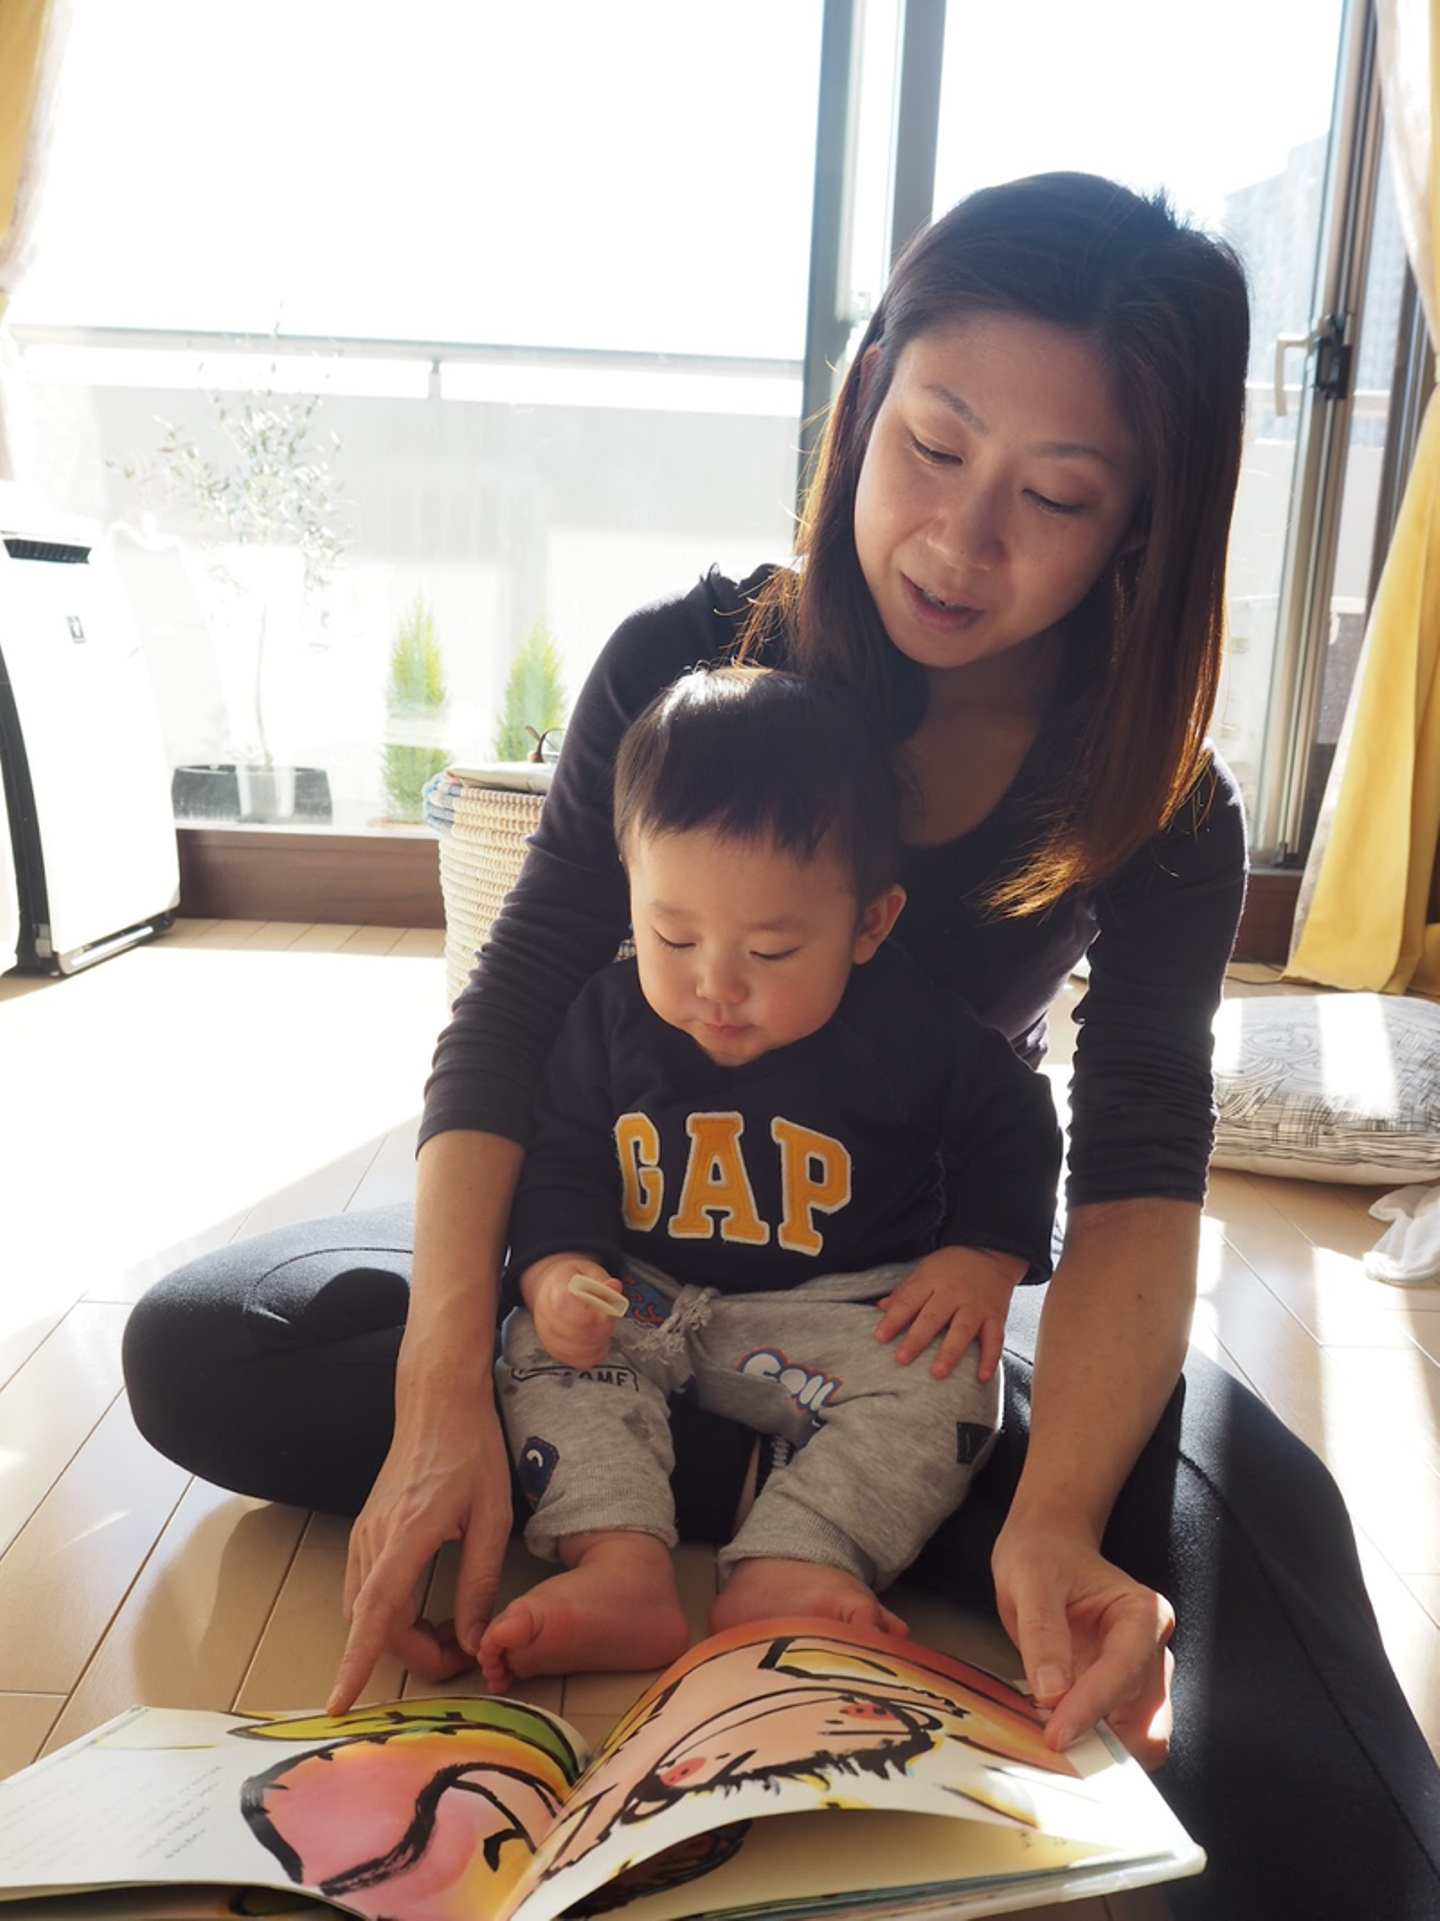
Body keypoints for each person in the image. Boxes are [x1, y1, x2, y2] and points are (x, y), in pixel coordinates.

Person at [120, 172, 1440, 1918]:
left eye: (1056, 496)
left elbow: (1135, 1163)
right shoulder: (690, 669)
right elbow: (509, 1019)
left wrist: (1056, 1514)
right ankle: (744, 1496)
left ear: (1140, 525)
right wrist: (443, 1395)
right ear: (866, 394)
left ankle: (742, 1490)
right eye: (934, 446)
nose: (960, 541)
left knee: (1297, 1687)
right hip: (618, 1273)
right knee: (209, 1349)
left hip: (894, 1318)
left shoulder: (1159, 802)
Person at [482, 664, 1061, 1691]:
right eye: (673, 935)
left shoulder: (907, 1025)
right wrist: (556, 1267)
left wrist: (982, 1256)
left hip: (836, 1314)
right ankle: (618, 1560)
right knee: (538, 1347)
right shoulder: (607, 1017)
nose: (716, 985)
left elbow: (1015, 1121)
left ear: (870, 925)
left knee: (955, 1385)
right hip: (643, 1297)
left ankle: (797, 1557)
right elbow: (562, 1150)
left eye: (774, 949)